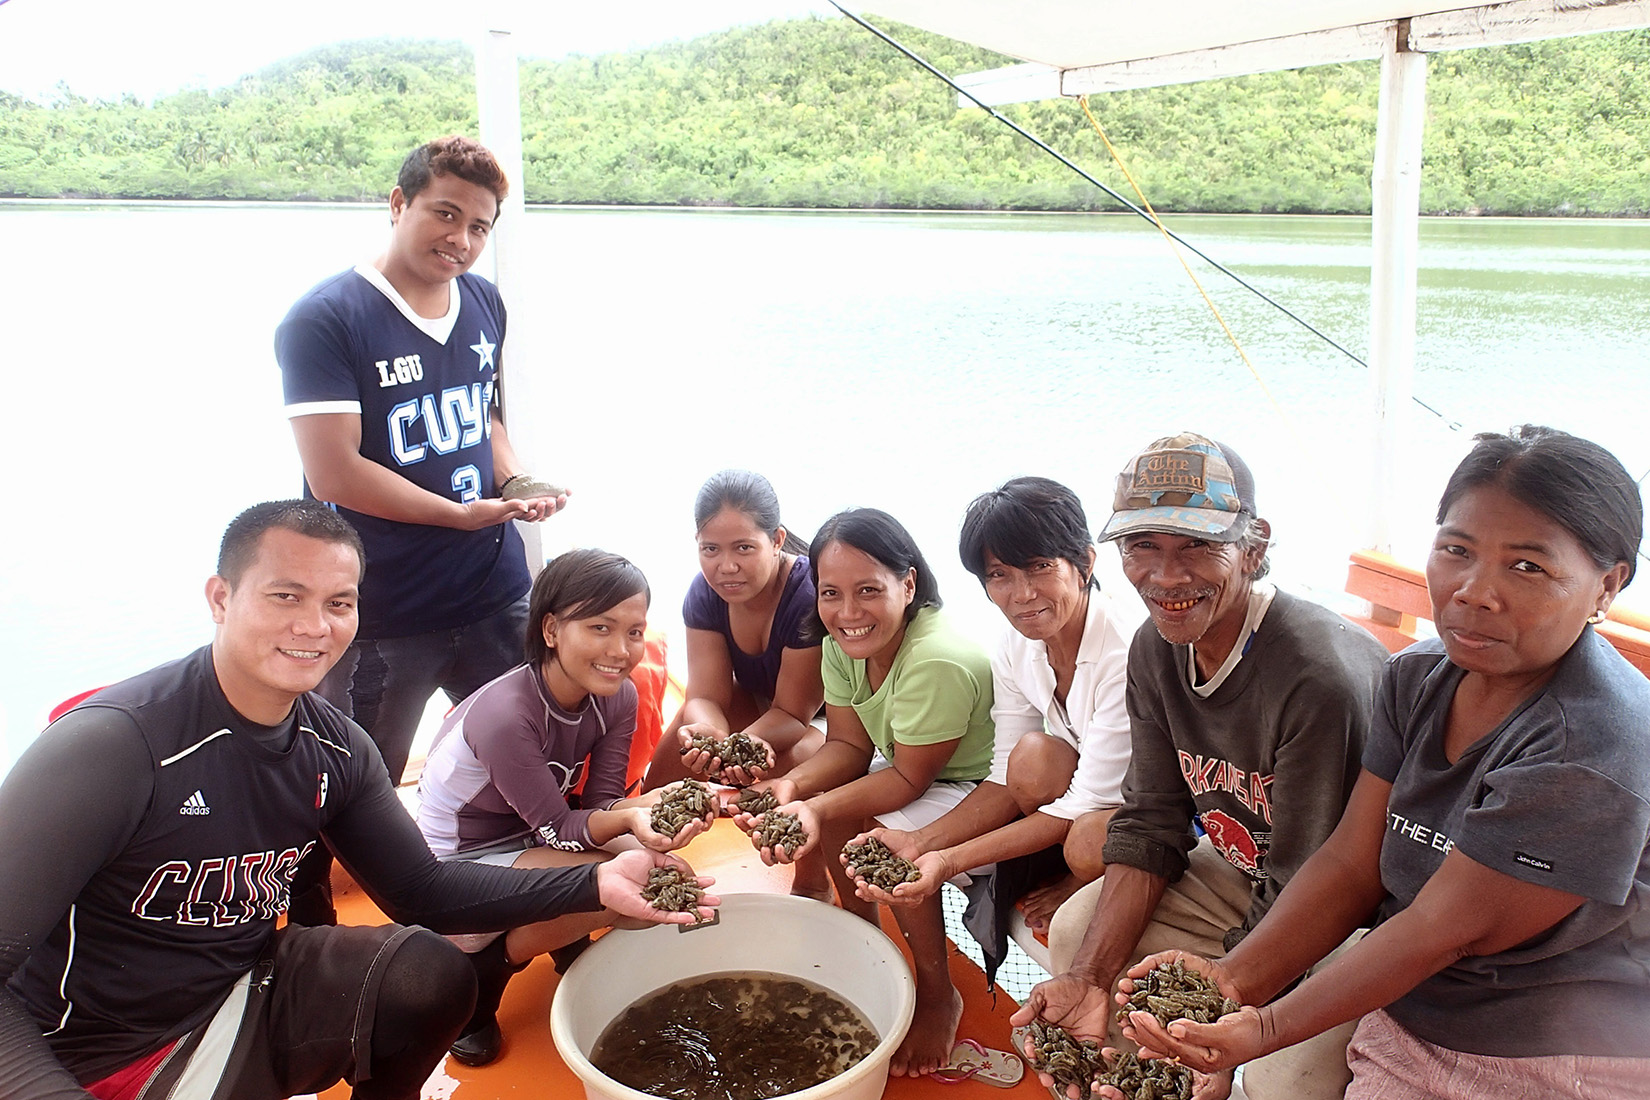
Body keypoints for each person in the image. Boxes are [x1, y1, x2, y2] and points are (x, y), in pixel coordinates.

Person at [0, 500, 714, 1100]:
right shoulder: (113, 746)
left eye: (338, 603)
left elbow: (421, 891)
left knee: (427, 974)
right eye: (286, 596)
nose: (315, 626)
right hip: (96, 1051)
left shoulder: (337, 748)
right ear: (221, 598)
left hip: (243, 991)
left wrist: (595, 881)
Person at [1121, 425, 1650, 1100]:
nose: (1474, 591)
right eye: (1456, 550)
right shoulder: (1419, 677)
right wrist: (1226, 985)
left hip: (1554, 1049)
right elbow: (1351, 862)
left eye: (1527, 566)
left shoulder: (1592, 747)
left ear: (1607, 586)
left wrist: (1260, 1029)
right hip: (1419, 1008)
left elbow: (1441, 931)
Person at [1011, 432, 1390, 1100]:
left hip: (1353, 906)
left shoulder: (1315, 676)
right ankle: (1138, 1079)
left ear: (1255, 545)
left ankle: (1186, 1072)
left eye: (1196, 546)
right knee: (1077, 936)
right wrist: (1093, 980)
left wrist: (1212, 1008)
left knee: (1284, 1078)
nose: (1166, 577)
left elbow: (1315, 878)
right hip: (1247, 871)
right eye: (1143, 548)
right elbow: (1151, 820)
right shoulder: (1155, 652)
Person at [275, 135, 567, 925]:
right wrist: (455, 514)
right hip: (386, 606)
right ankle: (310, 938)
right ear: (398, 204)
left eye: (480, 226)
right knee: (350, 776)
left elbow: (485, 415)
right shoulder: (326, 319)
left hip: (495, 588)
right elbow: (334, 471)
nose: (462, 240)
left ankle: (506, 928)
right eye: (446, 214)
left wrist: (512, 482)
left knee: (521, 762)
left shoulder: (483, 302)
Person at [416, 547, 713, 1066]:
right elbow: (561, 828)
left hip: (538, 830)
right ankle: (485, 976)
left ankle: (557, 930)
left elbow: (600, 802)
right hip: (462, 861)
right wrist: (628, 821)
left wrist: (656, 810)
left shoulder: (618, 694)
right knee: (621, 886)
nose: (621, 650)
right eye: (600, 627)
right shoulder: (507, 717)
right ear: (551, 630)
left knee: (664, 868)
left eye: (635, 631)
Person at [846, 477, 1133, 988]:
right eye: (1000, 575)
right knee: (1031, 756)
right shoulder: (1016, 644)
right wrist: (918, 842)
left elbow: (1083, 802)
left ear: (1086, 563)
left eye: (1041, 567)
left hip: (1151, 810)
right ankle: (1047, 863)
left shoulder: (1123, 650)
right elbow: (1004, 778)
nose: (1022, 594)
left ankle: (1074, 878)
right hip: (1084, 798)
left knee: (1088, 842)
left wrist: (945, 859)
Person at [739, 507, 996, 1079]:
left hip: (976, 782)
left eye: (868, 591)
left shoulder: (936, 659)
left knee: (882, 844)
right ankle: (862, 941)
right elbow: (850, 748)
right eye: (831, 593)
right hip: (910, 765)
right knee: (829, 798)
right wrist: (791, 786)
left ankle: (937, 993)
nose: (848, 613)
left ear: (908, 584)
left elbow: (910, 780)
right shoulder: (842, 639)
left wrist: (813, 805)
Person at [644, 469, 825, 790]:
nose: (726, 567)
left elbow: (793, 714)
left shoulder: (805, 594)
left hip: (819, 718)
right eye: (711, 549)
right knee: (672, 764)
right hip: (761, 700)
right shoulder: (704, 593)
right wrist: (708, 733)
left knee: (767, 775)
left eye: (743, 548)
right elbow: (704, 695)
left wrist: (737, 747)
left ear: (776, 540)